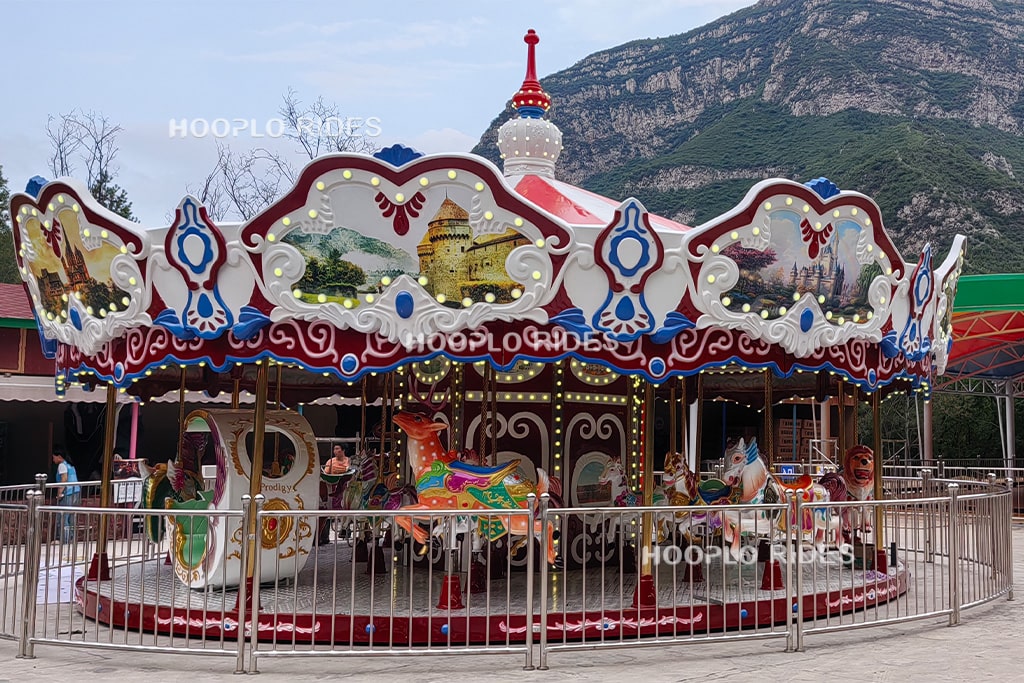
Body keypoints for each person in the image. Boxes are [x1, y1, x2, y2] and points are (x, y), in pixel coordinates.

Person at [52, 447, 81, 545]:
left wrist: (59, 493)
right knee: (71, 517)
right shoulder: (70, 465)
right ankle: (71, 539)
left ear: (59, 457)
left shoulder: (62, 465)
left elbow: (64, 479)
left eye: (54, 457)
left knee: (63, 517)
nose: (53, 459)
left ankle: (65, 540)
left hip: (68, 493)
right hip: (76, 491)